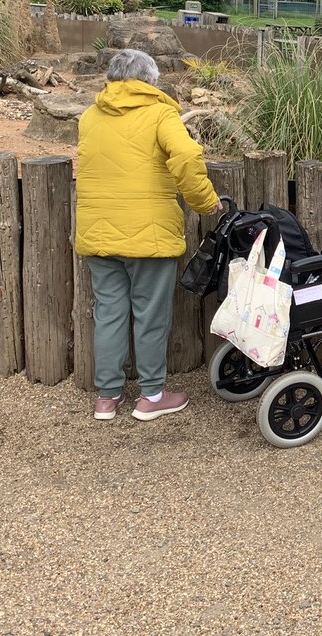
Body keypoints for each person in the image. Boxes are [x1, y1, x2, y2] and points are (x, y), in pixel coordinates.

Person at [76, 49, 222, 422]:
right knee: (150, 316)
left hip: (98, 231)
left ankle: (107, 399)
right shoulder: (160, 113)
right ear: (149, 80)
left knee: (108, 314)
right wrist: (205, 202)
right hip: (149, 236)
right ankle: (152, 396)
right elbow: (187, 157)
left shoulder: (90, 116)